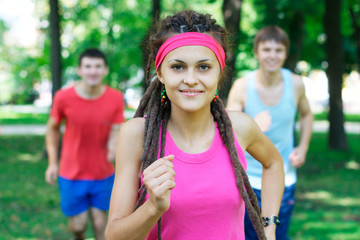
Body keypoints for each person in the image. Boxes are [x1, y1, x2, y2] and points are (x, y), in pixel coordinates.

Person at [105, 10, 284, 240]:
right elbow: (114, 236)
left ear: (219, 72)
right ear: (160, 73)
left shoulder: (239, 127)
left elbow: (273, 163)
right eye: (178, 67)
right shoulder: (136, 134)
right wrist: (153, 208)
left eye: (204, 67)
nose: (190, 79)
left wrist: (268, 227)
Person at [227, 26, 313, 240]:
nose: (272, 55)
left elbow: (307, 115)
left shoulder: (295, 84)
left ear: (285, 53)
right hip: (246, 180)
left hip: (283, 178)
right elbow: (227, 130)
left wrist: (302, 148)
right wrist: (253, 127)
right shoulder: (242, 86)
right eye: (266, 50)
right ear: (256, 52)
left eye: (278, 50)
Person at [45, 48, 125, 240]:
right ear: (79, 70)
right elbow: (52, 128)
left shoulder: (115, 97)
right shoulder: (63, 97)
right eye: (88, 66)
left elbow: (116, 127)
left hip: (103, 172)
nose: (93, 71)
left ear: (105, 70)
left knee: (100, 224)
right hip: (71, 173)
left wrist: (113, 147)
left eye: (98, 66)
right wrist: (52, 163)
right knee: (78, 225)